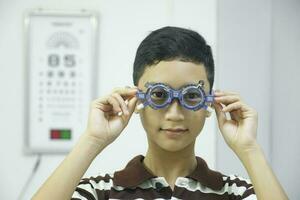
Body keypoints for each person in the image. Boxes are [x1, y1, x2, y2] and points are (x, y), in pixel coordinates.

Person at [32, 26, 288, 200]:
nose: (175, 113)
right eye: (159, 95)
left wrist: (249, 149)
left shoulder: (237, 192)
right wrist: (92, 140)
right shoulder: (100, 192)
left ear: (210, 103)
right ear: (135, 99)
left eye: (191, 96)